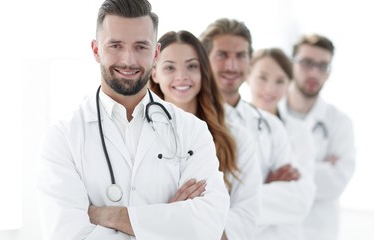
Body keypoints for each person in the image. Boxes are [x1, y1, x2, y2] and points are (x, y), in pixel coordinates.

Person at [36, 1, 230, 239]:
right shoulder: (63, 136)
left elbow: (208, 225)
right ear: (96, 50)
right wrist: (168, 221)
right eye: (116, 45)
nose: (128, 60)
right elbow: (67, 234)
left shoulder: (192, 130)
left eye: (140, 46)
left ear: (156, 53)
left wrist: (110, 216)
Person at [199, 18, 315, 239]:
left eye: (240, 55)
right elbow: (192, 206)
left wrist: (242, 197)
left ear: (250, 61)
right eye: (222, 55)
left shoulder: (270, 125)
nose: (232, 65)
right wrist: (262, 188)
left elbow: (300, 200)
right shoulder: (191, 121)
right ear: (204, 59)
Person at [149, 30, 262, 240]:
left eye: (192, 66)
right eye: (169, 67)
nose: (181, 76)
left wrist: (180, 222)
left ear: (203, 72)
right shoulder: (138, 134)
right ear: (154, 73)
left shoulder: (236, 138)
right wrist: (183, 219)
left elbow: (246, 215)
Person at [278, 34, 356, 240]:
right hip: (273, 230)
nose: (314, 72)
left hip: (317, 232)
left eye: (323, 66)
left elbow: (336, 183)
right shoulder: (268, 115)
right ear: (291, 64)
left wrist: (284, 171)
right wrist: (319, 167)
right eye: (306, 63)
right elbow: (256, 179)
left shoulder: (339, 123)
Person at [247, 48, 317, 239]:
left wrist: (250, 191)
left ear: (289, 85)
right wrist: (272, 186)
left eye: (280, 81)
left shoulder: (299, 133)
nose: (270, 89)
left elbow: (301, 199)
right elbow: (223, 199)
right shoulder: (228, 126)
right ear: (248, 75)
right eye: (262, 77)